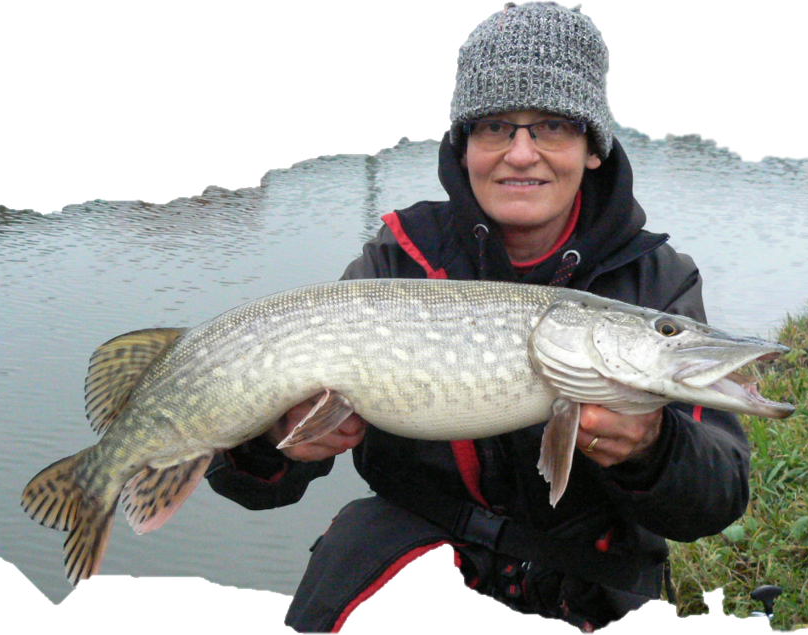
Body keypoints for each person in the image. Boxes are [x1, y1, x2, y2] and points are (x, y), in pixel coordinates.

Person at [206, 2, 750, 632]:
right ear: (464, 145)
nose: (521, 154)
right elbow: (248, 486)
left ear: (593, 148)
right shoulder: (396, 261)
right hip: (409, 560)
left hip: (586, 583)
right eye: (495, 127)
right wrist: (276, 440)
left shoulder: (656, 280)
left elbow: (716, 499)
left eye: (551, 126)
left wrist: (655, 447)